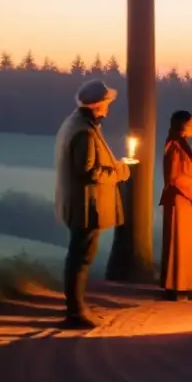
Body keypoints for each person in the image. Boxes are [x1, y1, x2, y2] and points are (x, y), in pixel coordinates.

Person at [53, 79, 132, 329]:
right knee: (81, 258)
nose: (109, 107)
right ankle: (75, 312)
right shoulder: (84, 131)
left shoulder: (77, 124)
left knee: (79, 255)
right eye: (107, 102)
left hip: (82, 204)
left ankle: (77, 308)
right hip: (87, 205)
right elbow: (89, 172)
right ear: (98, 104)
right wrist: (120, 171)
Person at [159, 110, 192, 301]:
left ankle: (184, 283)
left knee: (185, 242)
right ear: (183, 126)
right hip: (179, 200)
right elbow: (176, 178)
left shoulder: (183, 146)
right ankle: (176, 285)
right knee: (177, 242)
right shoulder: (174, 147)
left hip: (186, 200)